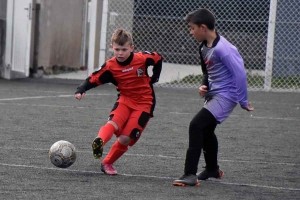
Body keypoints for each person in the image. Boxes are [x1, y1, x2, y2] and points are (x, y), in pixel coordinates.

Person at [173, 8, 254, 187]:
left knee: (196, 125)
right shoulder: (203, 46)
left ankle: (190, 174)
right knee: (207, 130)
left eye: (192, 28)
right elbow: (207, 71)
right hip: (216, 93)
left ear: (203, 28)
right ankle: (212, 169)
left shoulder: (224, 49)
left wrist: (243, 100)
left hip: (227, 95)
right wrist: (205, 86)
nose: (190, 31)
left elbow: (240, 74)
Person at [75, 29, 162, 175]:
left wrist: (155, 77)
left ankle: (107, 163)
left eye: (124, 49)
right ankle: (99, 141)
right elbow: (94, 78)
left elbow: (158, 58)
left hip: (145, 104)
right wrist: (81, 89)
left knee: (125, 138)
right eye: (117, 49)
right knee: (112, 124)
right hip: (124, 100)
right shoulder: (110, 66)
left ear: (132, 48)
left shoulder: (142, 58)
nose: (120, 53)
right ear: (112, 47)